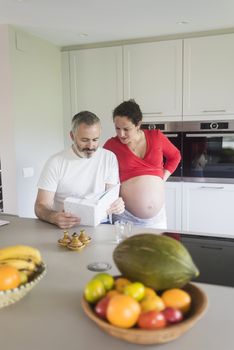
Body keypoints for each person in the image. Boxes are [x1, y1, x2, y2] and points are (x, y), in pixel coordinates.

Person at [34, 111, 124, 229]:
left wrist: (117, 205)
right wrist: (53, 217)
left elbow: (111, 197)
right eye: (85, 140)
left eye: (95, 139)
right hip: (66, 227)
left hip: (101, 224)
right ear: (72, 136)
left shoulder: (109, 158)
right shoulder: (56, 162)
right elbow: (40, 205)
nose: (91, 146)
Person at [103, 100, 181, 229]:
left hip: (157, 219)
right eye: (117, 128)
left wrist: (162, 179)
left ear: (138, 124)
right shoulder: (111, 145)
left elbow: (175, 156)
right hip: (125, 217)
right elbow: (101, 175)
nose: (121, 134)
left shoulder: (156, 137)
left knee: (157, 249)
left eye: (126, 129)